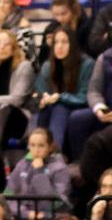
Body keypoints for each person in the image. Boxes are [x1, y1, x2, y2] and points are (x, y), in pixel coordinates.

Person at [35, 26, 92, 156]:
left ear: (72, 44)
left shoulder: (86, 64)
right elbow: (39, 91)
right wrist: (42, 100)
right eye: (56, 42)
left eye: (64, 42)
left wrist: (60, 97)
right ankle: (34, 155)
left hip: (79, 106)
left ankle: (55, 154)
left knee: (60, 108)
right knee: (44, 111)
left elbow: (85, 96)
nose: (59, 46)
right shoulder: (48, 65)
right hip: (54, 106)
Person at [5, 127, 70, 219]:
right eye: (32, 145)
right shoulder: (22, 164)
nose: (36, 150)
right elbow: (8, 194)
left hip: (50, 217)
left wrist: (40, 172)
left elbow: (57, 203)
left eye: (41, 145)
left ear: (50, 147)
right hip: (22, 215)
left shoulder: (60, 168)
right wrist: (26, 213)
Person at [40, 0, 94, 64]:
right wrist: (48, 46)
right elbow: (41, 61)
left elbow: (91, 56)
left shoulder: (87, 27)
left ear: (73, 10)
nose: (60, 19)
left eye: (64, 13)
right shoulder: (51, 29)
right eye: (56, 14)